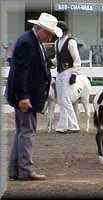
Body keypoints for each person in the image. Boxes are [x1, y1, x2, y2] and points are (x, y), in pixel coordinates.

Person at [6, 13, 62, 181]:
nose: (50, 36)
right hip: (26, 97)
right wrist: (23, 97)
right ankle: (25, 170)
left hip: (26, 96)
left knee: (22, 132)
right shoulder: (28, 43)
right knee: (27, 132)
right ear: (41, 29)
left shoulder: (30, 40)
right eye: (49, 32)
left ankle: (16, 170)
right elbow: (20, 73)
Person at [52, 21, 81, 134]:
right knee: (61, 100)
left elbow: (77, 60)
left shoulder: (71, 42)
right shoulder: (56, 42)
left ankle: (73, 125)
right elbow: (56, 59)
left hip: (68, 71)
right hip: (59, 72)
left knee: (65, 99)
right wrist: (50, 62)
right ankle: (64, 126)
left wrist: (74, 73)